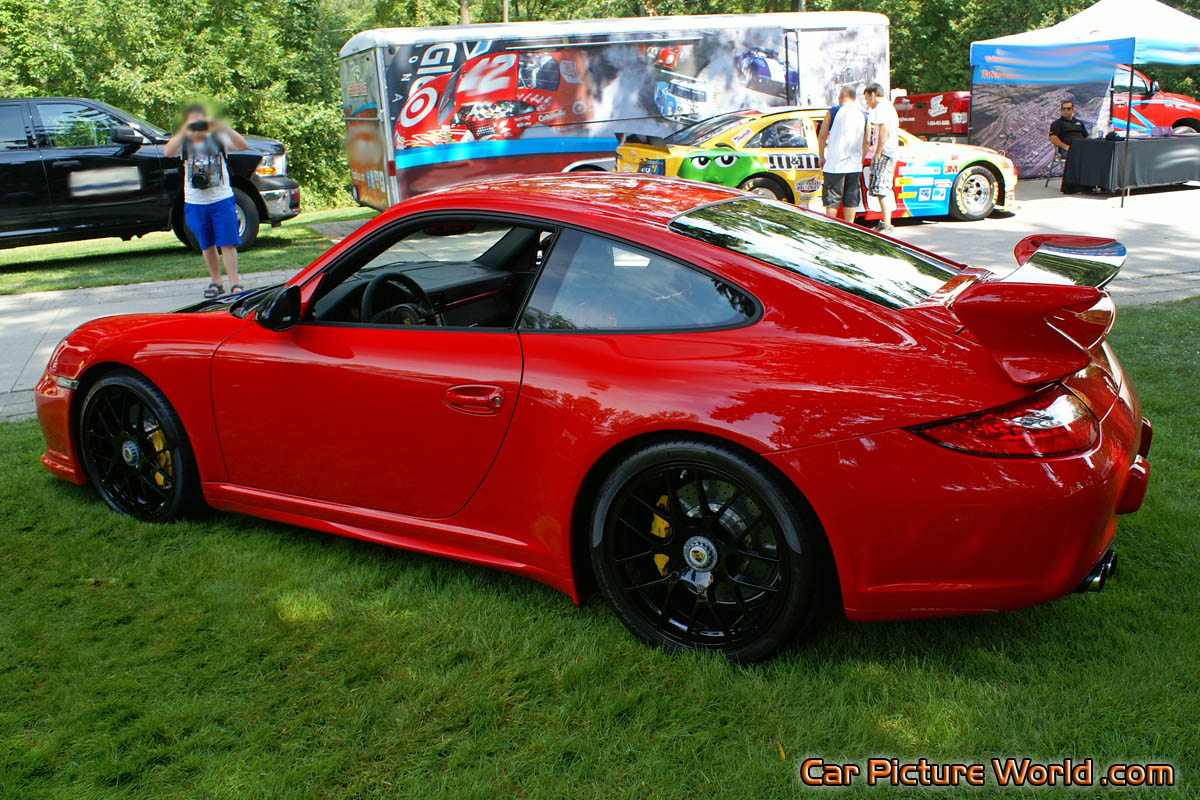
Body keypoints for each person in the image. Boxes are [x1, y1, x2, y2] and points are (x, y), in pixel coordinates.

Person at [164, 104, 248, 298]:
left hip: (221, 198)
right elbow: (168, 152)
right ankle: (216, 281)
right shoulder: (184, 141)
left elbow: (243, 145)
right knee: (206, 243)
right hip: (195, 201)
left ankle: (235, 283)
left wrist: (222, 126)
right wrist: (184, 131)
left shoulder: (218, 138)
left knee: (227, 242)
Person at [818, 85, 867, 222]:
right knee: (851, 199)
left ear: (842, 96)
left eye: (839, 96)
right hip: (854, 166)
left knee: (832, 199)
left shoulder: (833, 112)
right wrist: (860, 160)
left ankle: (831, 228)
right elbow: (867, 141)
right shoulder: (863, 115)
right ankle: (849, 227)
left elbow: (822, 136)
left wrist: (821, 156)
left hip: (835, 165)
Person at [862, 83, 899, 233]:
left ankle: (887, 223)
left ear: (873, 95)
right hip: (887, 151)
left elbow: (883, 130)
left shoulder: (882, 107)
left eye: (866, 99)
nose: (867, 103)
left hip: (885, 153)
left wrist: (878, 152)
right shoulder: (888, 107)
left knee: (882, 187)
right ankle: (884, 221)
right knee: (880, 187)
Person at [1049, 100, 1088, 195]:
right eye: (1064, 109)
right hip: (1068, 149)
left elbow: (1086, 136)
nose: (1066, 111)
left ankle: (1090, 184)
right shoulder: (1057, 124)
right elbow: (1052, 138)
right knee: (1078, 157)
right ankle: (1073, 186)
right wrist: (1065, 147)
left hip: (1082, 148)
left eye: (1068, 109)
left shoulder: (1079, 123)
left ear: (1073, 110)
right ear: (1061, 110)